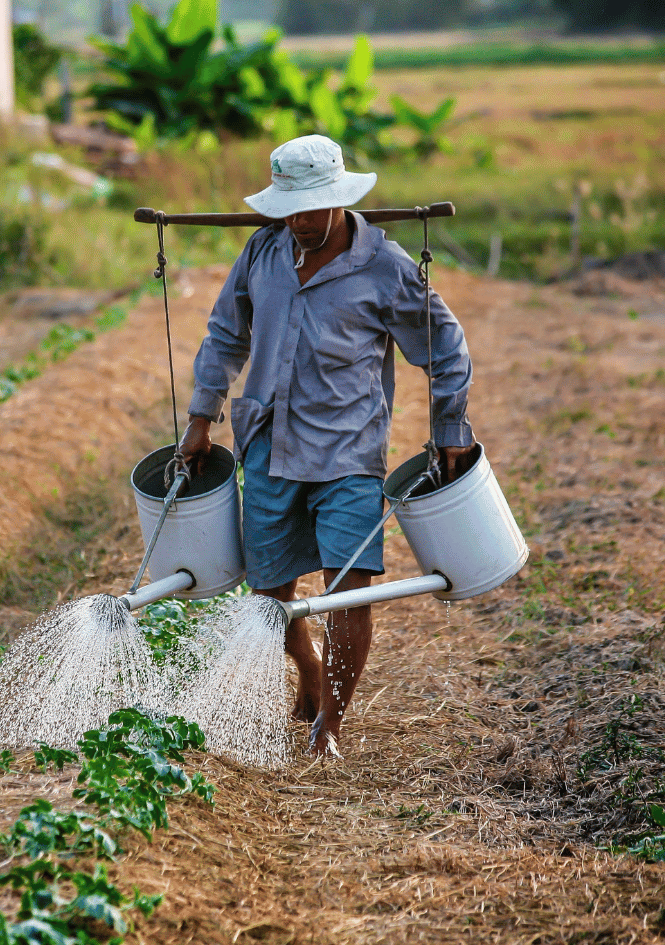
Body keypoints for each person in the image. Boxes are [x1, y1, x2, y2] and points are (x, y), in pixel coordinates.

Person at [177, 134, 477, 758]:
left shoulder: (385, 267)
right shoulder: (262, 252)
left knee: (350, 590)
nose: (300, 223)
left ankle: (328, 729)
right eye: (289, 209)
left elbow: (445, 349)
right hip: (267, 444)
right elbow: (224, 335)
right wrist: (201, 418)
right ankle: (309, 672)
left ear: (340, 200)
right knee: (270, 596)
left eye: (311, 210)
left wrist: (449, 430)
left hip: (348, 452)